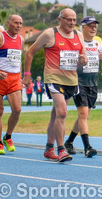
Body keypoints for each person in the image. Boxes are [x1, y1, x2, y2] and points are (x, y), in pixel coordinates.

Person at [24, 9, 81, 162]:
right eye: (68, 19)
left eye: (74, 20)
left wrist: (83, 60)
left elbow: (83, 57)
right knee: (62, 112)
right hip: (53, 78)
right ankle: (61, 149)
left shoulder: (78, 35)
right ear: (60, 19)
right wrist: (27, 75)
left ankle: (49, 148)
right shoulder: (50, 34)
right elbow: (29, 52)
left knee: (56, 114)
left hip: (71, 81)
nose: (72, 23)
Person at [0, 15, 25, 155]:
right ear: (8, 23)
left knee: (17, 110)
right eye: (16, 23)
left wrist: (21, 77)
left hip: (14, 78)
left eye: (20, 23)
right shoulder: (0, 37)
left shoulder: (21, 40)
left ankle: (8, 136)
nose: (19, 26)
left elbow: (19, 60)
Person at [66, 16, 102, 157]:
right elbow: (68, 60)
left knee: (85, 115)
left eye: (95, 26)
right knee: (83, 114)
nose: (93, 29)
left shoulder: (98, 43)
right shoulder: (77, 43)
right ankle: (87, 147)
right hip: (79, 82)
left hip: (92, 83)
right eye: (90, 26)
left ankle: (69, 142)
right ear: (83, 27)